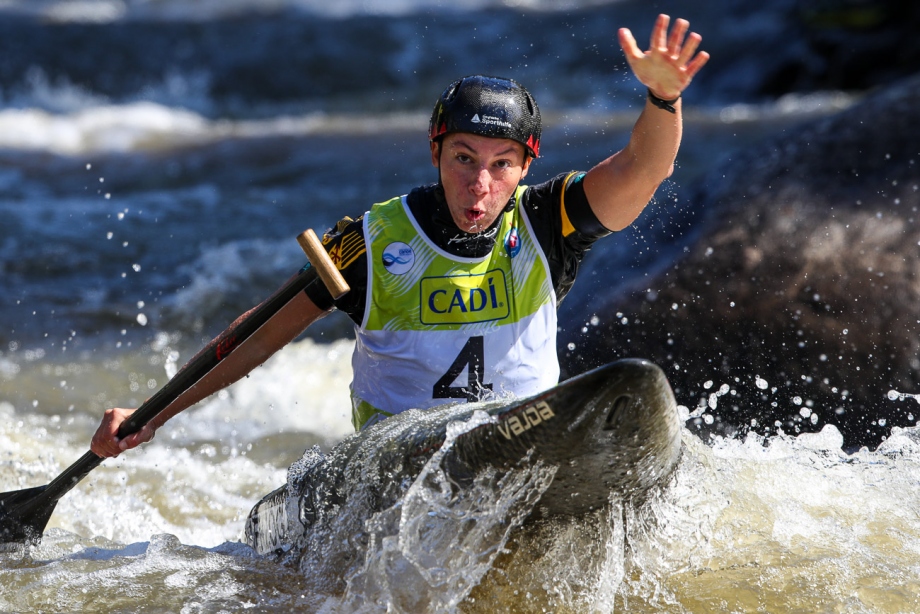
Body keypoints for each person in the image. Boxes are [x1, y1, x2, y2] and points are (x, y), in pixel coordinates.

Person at [91, 14, 709, 457]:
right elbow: (257, 335)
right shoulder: (371, 240)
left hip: (523, 437)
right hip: (398, 462)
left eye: (501, 165)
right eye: (463, 159)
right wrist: (152, 416)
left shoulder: (550, 221)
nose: (480, 184)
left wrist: (662, 98)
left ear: (526, 167)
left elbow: (642, 167)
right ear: (435, 154)